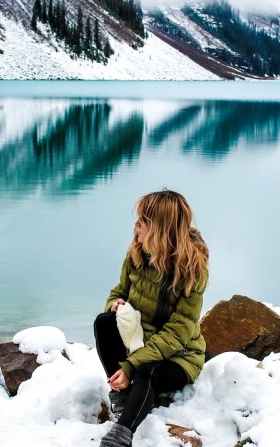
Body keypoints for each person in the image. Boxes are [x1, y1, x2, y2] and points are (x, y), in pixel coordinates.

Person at [94, 190, 209, 447]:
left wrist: (130, 365)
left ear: (162, 227)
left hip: (179, 355)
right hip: (140, 340)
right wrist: (115, 304)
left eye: (143, 220)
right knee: (103, 321)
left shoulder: (192, 270)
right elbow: (119, 290)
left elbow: (178, 333)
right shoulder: (137, 252)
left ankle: (121, 433)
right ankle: (123, 397)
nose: (136, 225)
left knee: (147, 371)